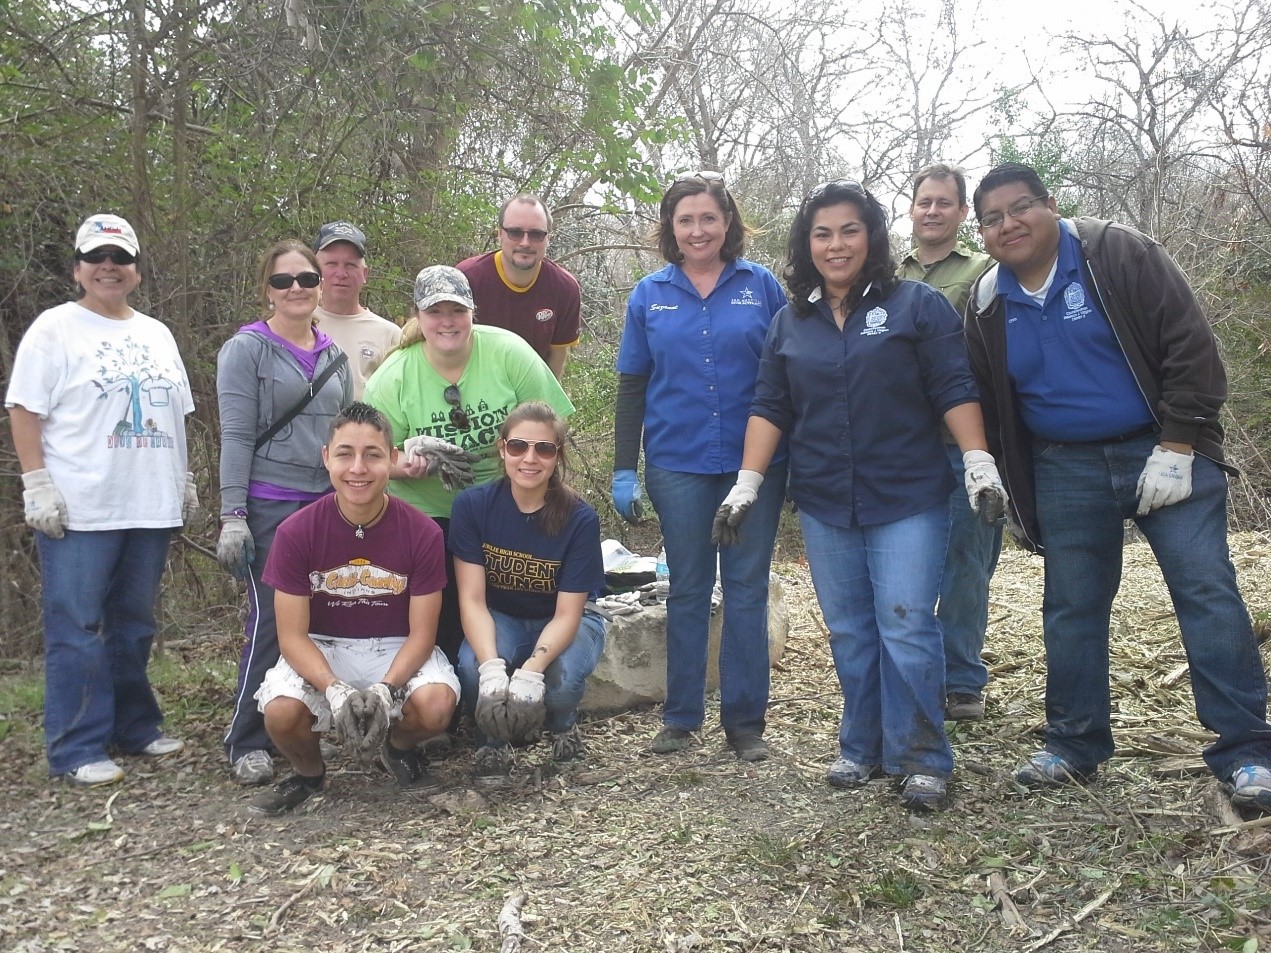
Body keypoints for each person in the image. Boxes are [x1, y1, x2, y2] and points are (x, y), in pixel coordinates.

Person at [964, 161, 1271, 813]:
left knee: (1204, 589)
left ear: (1051, 205)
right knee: (1070, 604)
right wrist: (997, 474)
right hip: (1062, 464)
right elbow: (987, 398)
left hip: (1159, 447)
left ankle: (1245, 750)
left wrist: (1178, 443)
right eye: (991, 217)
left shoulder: (1118, 254)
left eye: (1020, 207)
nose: (1007, 224)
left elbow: (1191, 347)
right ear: (982, 233)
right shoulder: (988, 299)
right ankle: (1074, 742)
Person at [714, 180, 1007, 810]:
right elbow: (771, 405)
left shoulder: (917, 307)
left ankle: (923, 756)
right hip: (824, 500)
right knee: (849, 631)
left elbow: (954, 387)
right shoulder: (791, 322)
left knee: (905, 626)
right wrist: (747, 484)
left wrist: (978, 463)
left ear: (871, 235)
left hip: (908, 496)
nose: (836, 244)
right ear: (807, 244)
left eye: (849, 229)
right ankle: (864, 743)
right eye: (822, 233)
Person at [6, 213, 196, 786]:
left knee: (133, 624)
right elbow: (23, 410)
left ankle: (134, 726)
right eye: (97, 258)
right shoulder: (54, 329)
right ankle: (76, 744)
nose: (108, 268)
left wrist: (183, 479)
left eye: (120, 258)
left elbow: (178, 412)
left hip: (149, 502)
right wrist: (35, 482)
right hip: (83, 504)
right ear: (78, 269)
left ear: (136, 270)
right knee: (78, 625)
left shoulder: (156, 333)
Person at [611, 171, 788, 763]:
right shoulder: (649, 294)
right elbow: (633, 384)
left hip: (753, 466)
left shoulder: (761, 287)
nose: (697, 230)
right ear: (671, 228)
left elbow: (791, 373)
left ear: (728, 223)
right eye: (685, 219)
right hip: (676, 463)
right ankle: (681, 717)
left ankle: (745, 723)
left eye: (708, 218)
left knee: (745, 589)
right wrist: (623, 467)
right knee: (687, 589)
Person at [248, 403, 460, 816]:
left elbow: (422, 634)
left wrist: (386, 688)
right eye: (345, 453)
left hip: (397, 644)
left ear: (392, 460)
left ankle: (396, 749)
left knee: (436, 706)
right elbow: (291, 636)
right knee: (279, 711)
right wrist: (333, 687)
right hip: (324, 645)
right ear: (326, 457)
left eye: (373, 454)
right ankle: (308, 773)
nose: (358, 468)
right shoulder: (295, 532)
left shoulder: (423, 532)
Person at [363, 265, 574, 665]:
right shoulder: (393, 377)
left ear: (472, 311)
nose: (447, 322)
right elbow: (368, 457)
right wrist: (405, 463)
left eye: (456, 311)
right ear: (418, 317)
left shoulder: (507, 352)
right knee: (439, 611)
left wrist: (531, 474)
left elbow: (553, 422)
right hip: (428, 511)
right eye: (435, 312)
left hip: (503, 499)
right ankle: (443, 703)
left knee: (506, 600)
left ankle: (509, 679)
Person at [217, 239, 352, 786]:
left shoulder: (334, 355)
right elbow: (236, 435)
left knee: (324, 621)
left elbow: (348, 435)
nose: (295, 288)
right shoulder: (247, 350)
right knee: (274, 620)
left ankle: (301, 727)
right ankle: (246, 739)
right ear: (265, 289)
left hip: (327, 507)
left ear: (321, 283)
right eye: (282, 280)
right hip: (270, 506)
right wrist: (232, 513)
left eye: (306, 278)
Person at [450, 402, 607, 782]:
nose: (530, 459)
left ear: (558, 456)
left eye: (544, 449)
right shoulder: (473, 507)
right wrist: (491, 668)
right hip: (501, 615)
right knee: (472, 667)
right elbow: (471, 598)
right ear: (502, 449)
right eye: (519, 447)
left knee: (561, 679)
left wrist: (532, 670)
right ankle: (491, 741)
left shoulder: (579, 519)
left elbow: (569, 613)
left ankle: (563, 726)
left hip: (566, 617)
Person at [898, 163, 1000, 721]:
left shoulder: (986, 272)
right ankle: (913, 671)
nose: (932, 211)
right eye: (923, 202)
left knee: (966, 562)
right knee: (910, 564)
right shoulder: (886, 275)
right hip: (904, 445)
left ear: (963, 213)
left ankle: (963, 679)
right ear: (911, 210)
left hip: (966, 445)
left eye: (944, 203)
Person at [457, 195, 581, 379]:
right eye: (515, 232)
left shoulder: (565, 288)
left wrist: (547, 401)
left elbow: (557, 356)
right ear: (500, 233)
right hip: (472, 386)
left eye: (536, 234)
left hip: (529, 392)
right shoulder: (466, 278)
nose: (525, 242)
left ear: (549, 238)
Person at [313, 221, 402, 399]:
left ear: (365, 274)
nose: (341, 273)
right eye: (331, 264)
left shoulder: (390, 335)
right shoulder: (297, 324)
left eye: (350, 265)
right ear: (314, 271)